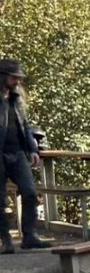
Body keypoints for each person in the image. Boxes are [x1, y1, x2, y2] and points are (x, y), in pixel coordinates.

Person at [0, 59, 50, 253]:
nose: (18, 82)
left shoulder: (16, 99)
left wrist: (32, 150)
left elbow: (25, 126)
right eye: (14, 78)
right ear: (3, 77)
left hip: (18, 153)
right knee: (0, 200)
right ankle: (6, 241)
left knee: (30, 193)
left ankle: (29, 236)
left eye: (19, 78)